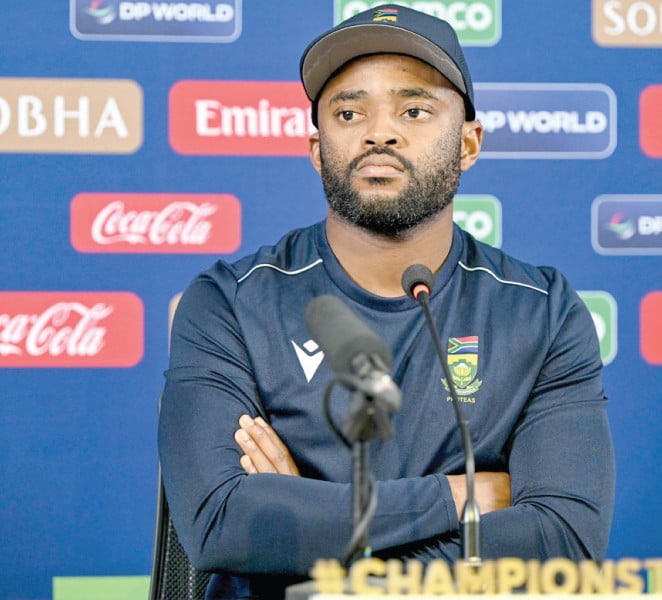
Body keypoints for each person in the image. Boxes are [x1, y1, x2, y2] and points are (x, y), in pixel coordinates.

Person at [158, 4, 615, 598]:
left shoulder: (542, 311)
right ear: (318, 148)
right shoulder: (228, 302)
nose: (380, 132)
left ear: (469, 144)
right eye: (349, 112)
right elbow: (222, 523)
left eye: (415, 110)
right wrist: (460, 495)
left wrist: (317, 525)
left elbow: (564, 543)